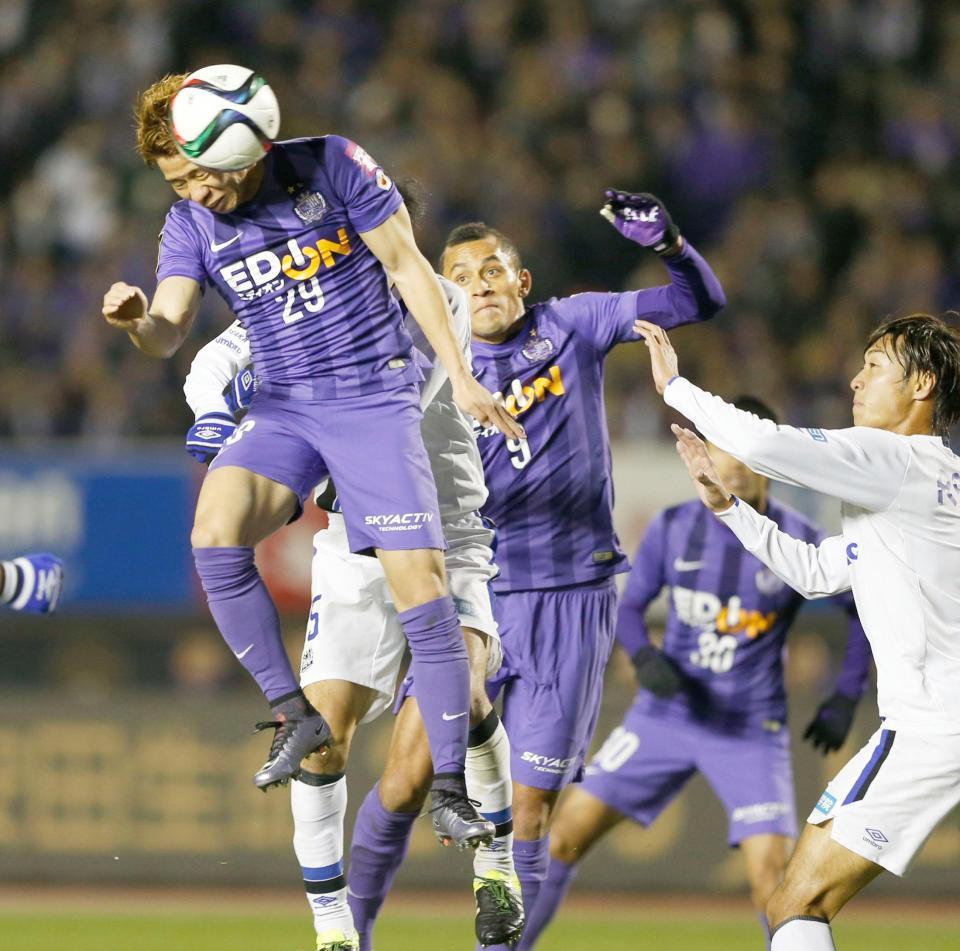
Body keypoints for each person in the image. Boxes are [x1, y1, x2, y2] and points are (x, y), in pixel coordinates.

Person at [99, 70, 522, 849]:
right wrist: (137, 323)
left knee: (422, 588)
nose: (193, 191)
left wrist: (461, 376)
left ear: (235, 146)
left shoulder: (333, 164)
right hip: (285, 404)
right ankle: (293, 712)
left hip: (372, 398)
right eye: (176, 181)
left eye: (197, 173)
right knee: (213, 530)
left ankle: (451, 789)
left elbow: (408, 267)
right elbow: (169, 327)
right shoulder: (189, 225)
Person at [347, 190, 726, 949]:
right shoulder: (423, 360)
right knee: (405, 779)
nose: (479, 284)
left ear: (521, 281)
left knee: (527, 814)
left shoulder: (572, 324)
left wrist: (672, 245)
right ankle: (346, 931)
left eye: (492, 270)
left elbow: (698, 302)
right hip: (471, 594)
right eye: (459, 277)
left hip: (571, 600)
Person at [184, 260, 523, 950]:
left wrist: (304, 418)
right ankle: (333, 930)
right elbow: (209, 364)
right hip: (350, 548)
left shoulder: (435, 298)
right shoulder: (299, 295)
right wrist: (217, 412)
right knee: (323, 736)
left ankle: (496, 867)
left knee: (460, 695)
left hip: (445, 536)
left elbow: (400, 400)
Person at [638, 313, 960, 950]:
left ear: (921, 384)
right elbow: (817, 573)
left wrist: (676, 387)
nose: (855, 380)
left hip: (932, 724)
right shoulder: (932, 476)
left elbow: (764, 446)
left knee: (797, 901)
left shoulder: (894, 459)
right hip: (930, 720)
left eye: (874, 367)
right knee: (794, 898)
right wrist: (730, 509)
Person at [519, 396, 872, 949]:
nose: (731, 461)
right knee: (561, 836)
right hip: (664, 717)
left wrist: (845, 695)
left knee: (773, 880)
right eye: (721, 446)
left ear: (767, 454)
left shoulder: (798, 536)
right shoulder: (674, 527)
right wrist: (645, 658)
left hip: (750, 732)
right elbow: (631, 610)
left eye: (742, 447)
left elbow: (861, 613)